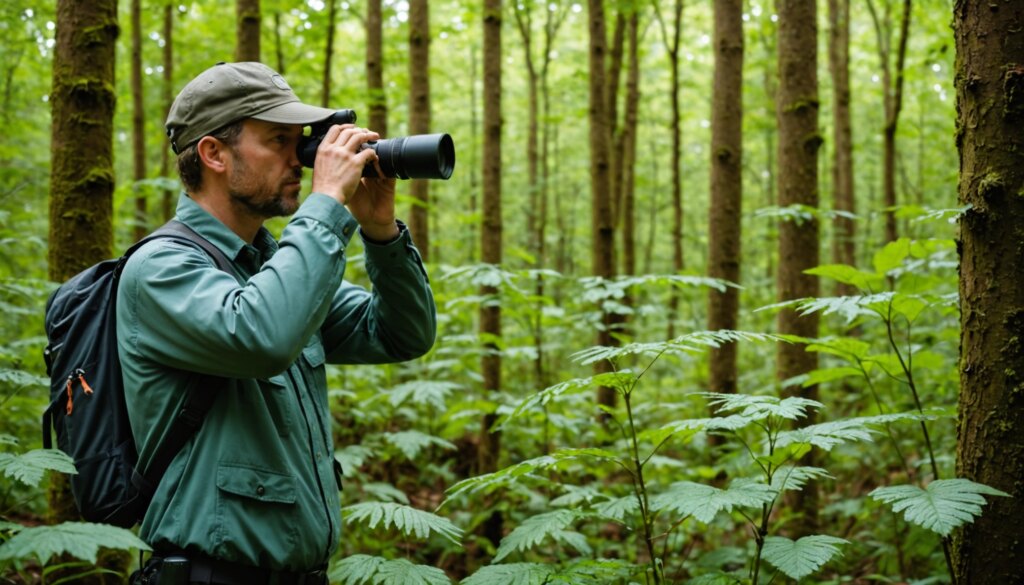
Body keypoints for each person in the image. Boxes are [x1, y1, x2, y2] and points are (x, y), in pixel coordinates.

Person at [120, 61, 436, 585]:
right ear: (213, 153)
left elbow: (400, 333)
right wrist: (326, 205)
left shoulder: (276, 267)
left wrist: (379, 231)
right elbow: (261, 337)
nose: (300, 159)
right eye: (279, 141)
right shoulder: (161, 268)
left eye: (302, 142)